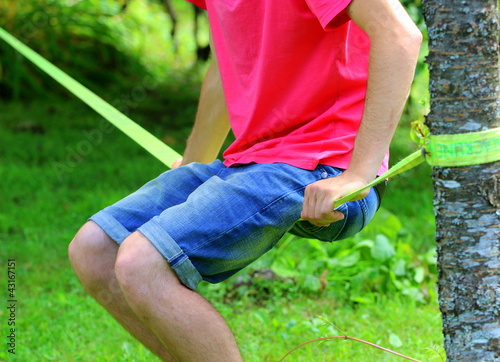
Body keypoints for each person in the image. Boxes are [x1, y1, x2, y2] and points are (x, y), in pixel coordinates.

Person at [68, 0, 422, 360]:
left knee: (141, 263)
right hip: (251, 162)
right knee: (95, 249)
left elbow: (400, 36)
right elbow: (229, 64)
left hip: (324, 166)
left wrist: (358, 174)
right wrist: (194, 163)